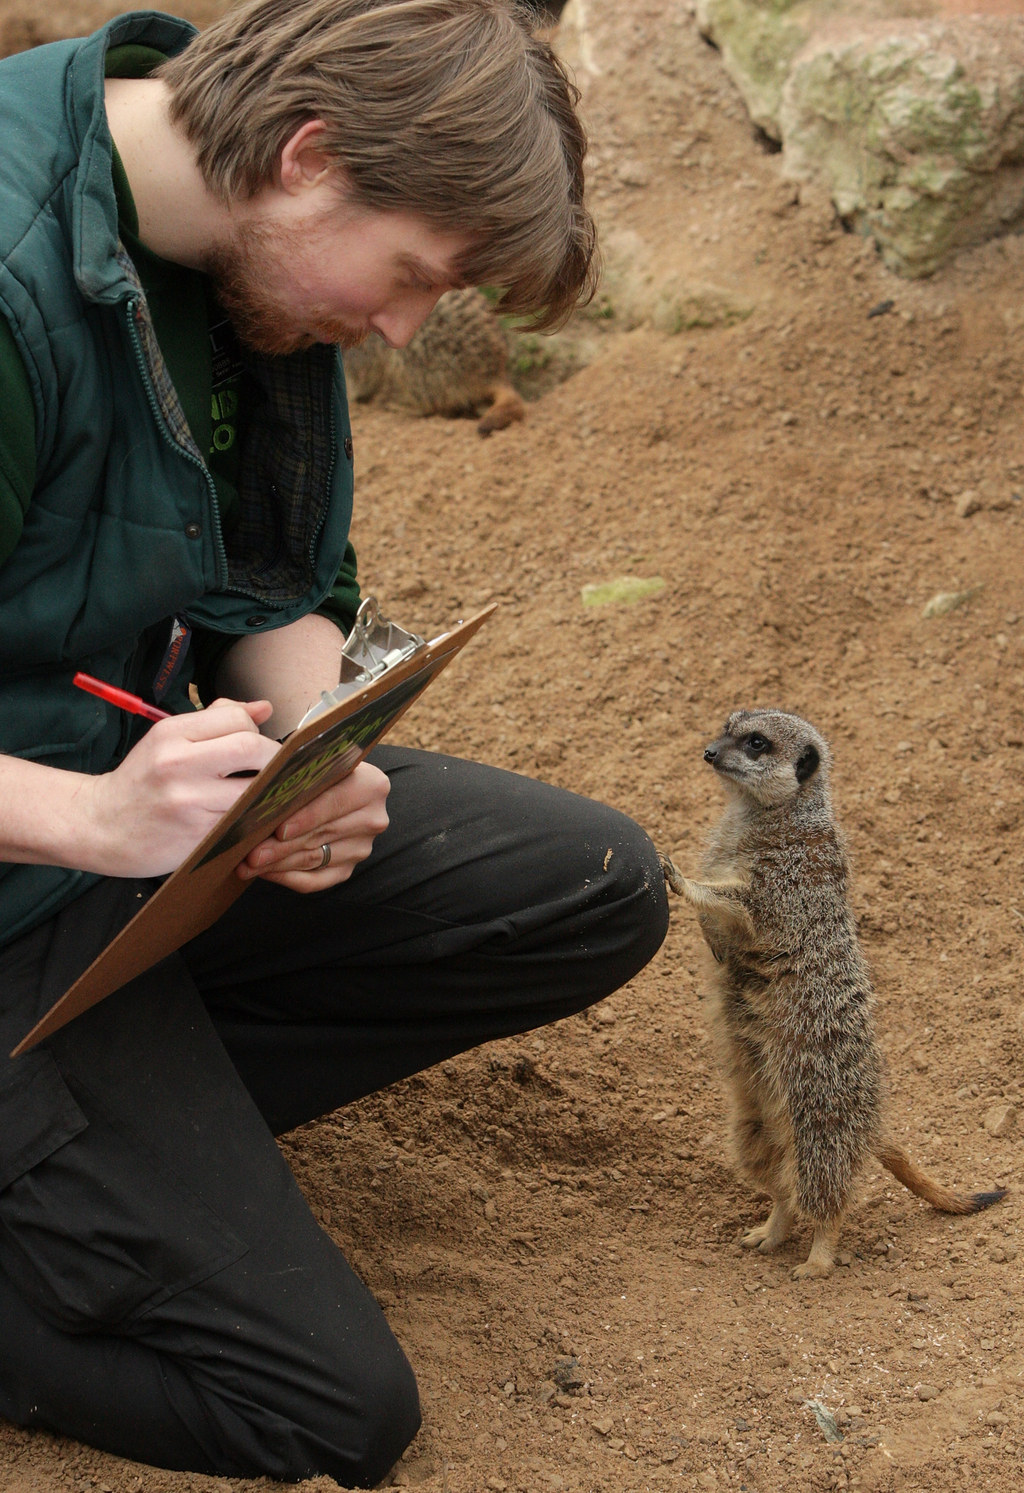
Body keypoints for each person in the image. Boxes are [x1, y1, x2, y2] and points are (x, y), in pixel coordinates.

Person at [0, 0, 669, 1484]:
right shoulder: (7, 279)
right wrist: (97, 823)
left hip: (116, 845)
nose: (403, 328)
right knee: (325, 1406)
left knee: (595, 883)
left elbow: (276, 583)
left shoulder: (241, 266)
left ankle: (103, 1142)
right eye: (417, 274)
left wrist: (316, 744)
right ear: (311, 152)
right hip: (35, 865)